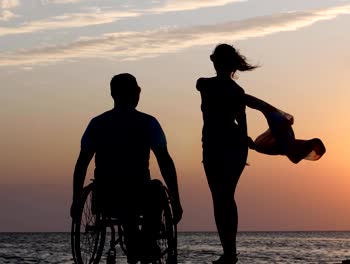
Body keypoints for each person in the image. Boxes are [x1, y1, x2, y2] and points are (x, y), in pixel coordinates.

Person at [71, 73, 183, 264]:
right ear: (136, 93)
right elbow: (165, 162)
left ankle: (137, 241)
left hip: (105, 195)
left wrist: (75, 200)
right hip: (139, 193)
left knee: (129, 199)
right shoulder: (148, 123)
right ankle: (146, 240)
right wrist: (176, 198)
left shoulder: (98, 123)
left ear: (113, 94)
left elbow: (82, 164)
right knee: (155, 188)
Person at [196, 44, 257, 264]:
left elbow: (242, 122)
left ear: (214, 62)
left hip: (218, 146)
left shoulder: (206, 84)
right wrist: (245, 139)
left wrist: (245, 139)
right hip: (230, 146)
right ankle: (229, 252)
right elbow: (242, 122)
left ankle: (229, 252)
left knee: (221, 198)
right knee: (226, 198)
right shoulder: (235, 92)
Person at [245, 94, 326, 163]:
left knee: (266, 109)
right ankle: (241, 98)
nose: (307, 144)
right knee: (267, 109)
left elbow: (295, 158)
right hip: (278, 134)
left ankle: (241, 98)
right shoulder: (289, 138)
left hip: (277, 137)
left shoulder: (288, 142)